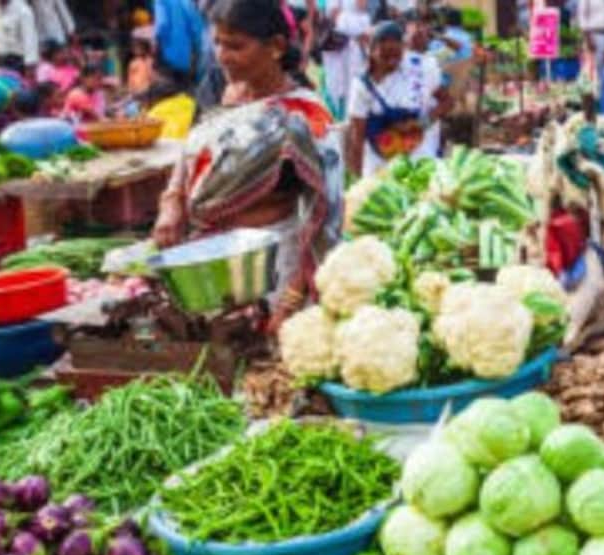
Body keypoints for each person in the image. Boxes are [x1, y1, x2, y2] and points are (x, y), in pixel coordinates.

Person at [154, 0, 335, 322]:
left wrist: (291, 300)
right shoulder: (218, 89)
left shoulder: (304, 115)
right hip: (208, 264)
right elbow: (190, 148)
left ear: (276, 47)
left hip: (271, 269)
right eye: (218, 43)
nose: (223, 56)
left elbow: (327, 216)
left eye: (236, 46)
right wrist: (172, 203)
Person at [343, 18, 444, 176]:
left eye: (397, 56)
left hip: (417, 162)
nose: (391, 62)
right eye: (385, 56)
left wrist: (421, 123)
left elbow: (447, 102)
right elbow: (357, 137)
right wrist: (357, 182)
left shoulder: (418, 70)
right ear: (372, 51)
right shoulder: (362, 85)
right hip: (379, 165)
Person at [576, 0, 604, 79]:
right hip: (595, 34)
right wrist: (588, 37)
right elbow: (582, 16)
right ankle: (598, 88)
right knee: (597, 66)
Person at [0, 0, 41, 66]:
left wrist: (30, 64)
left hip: (17, 60)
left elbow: (30, 39)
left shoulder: (23, 11)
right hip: (0, 58)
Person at [126, 27, 159, 94]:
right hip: (137, 90)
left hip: (148, 91)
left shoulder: (151, 61)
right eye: (135, 47)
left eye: (140, 47)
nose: (137, 49)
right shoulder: (133, 63)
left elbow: (153, 76)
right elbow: (130, 79)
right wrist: (131, 89)